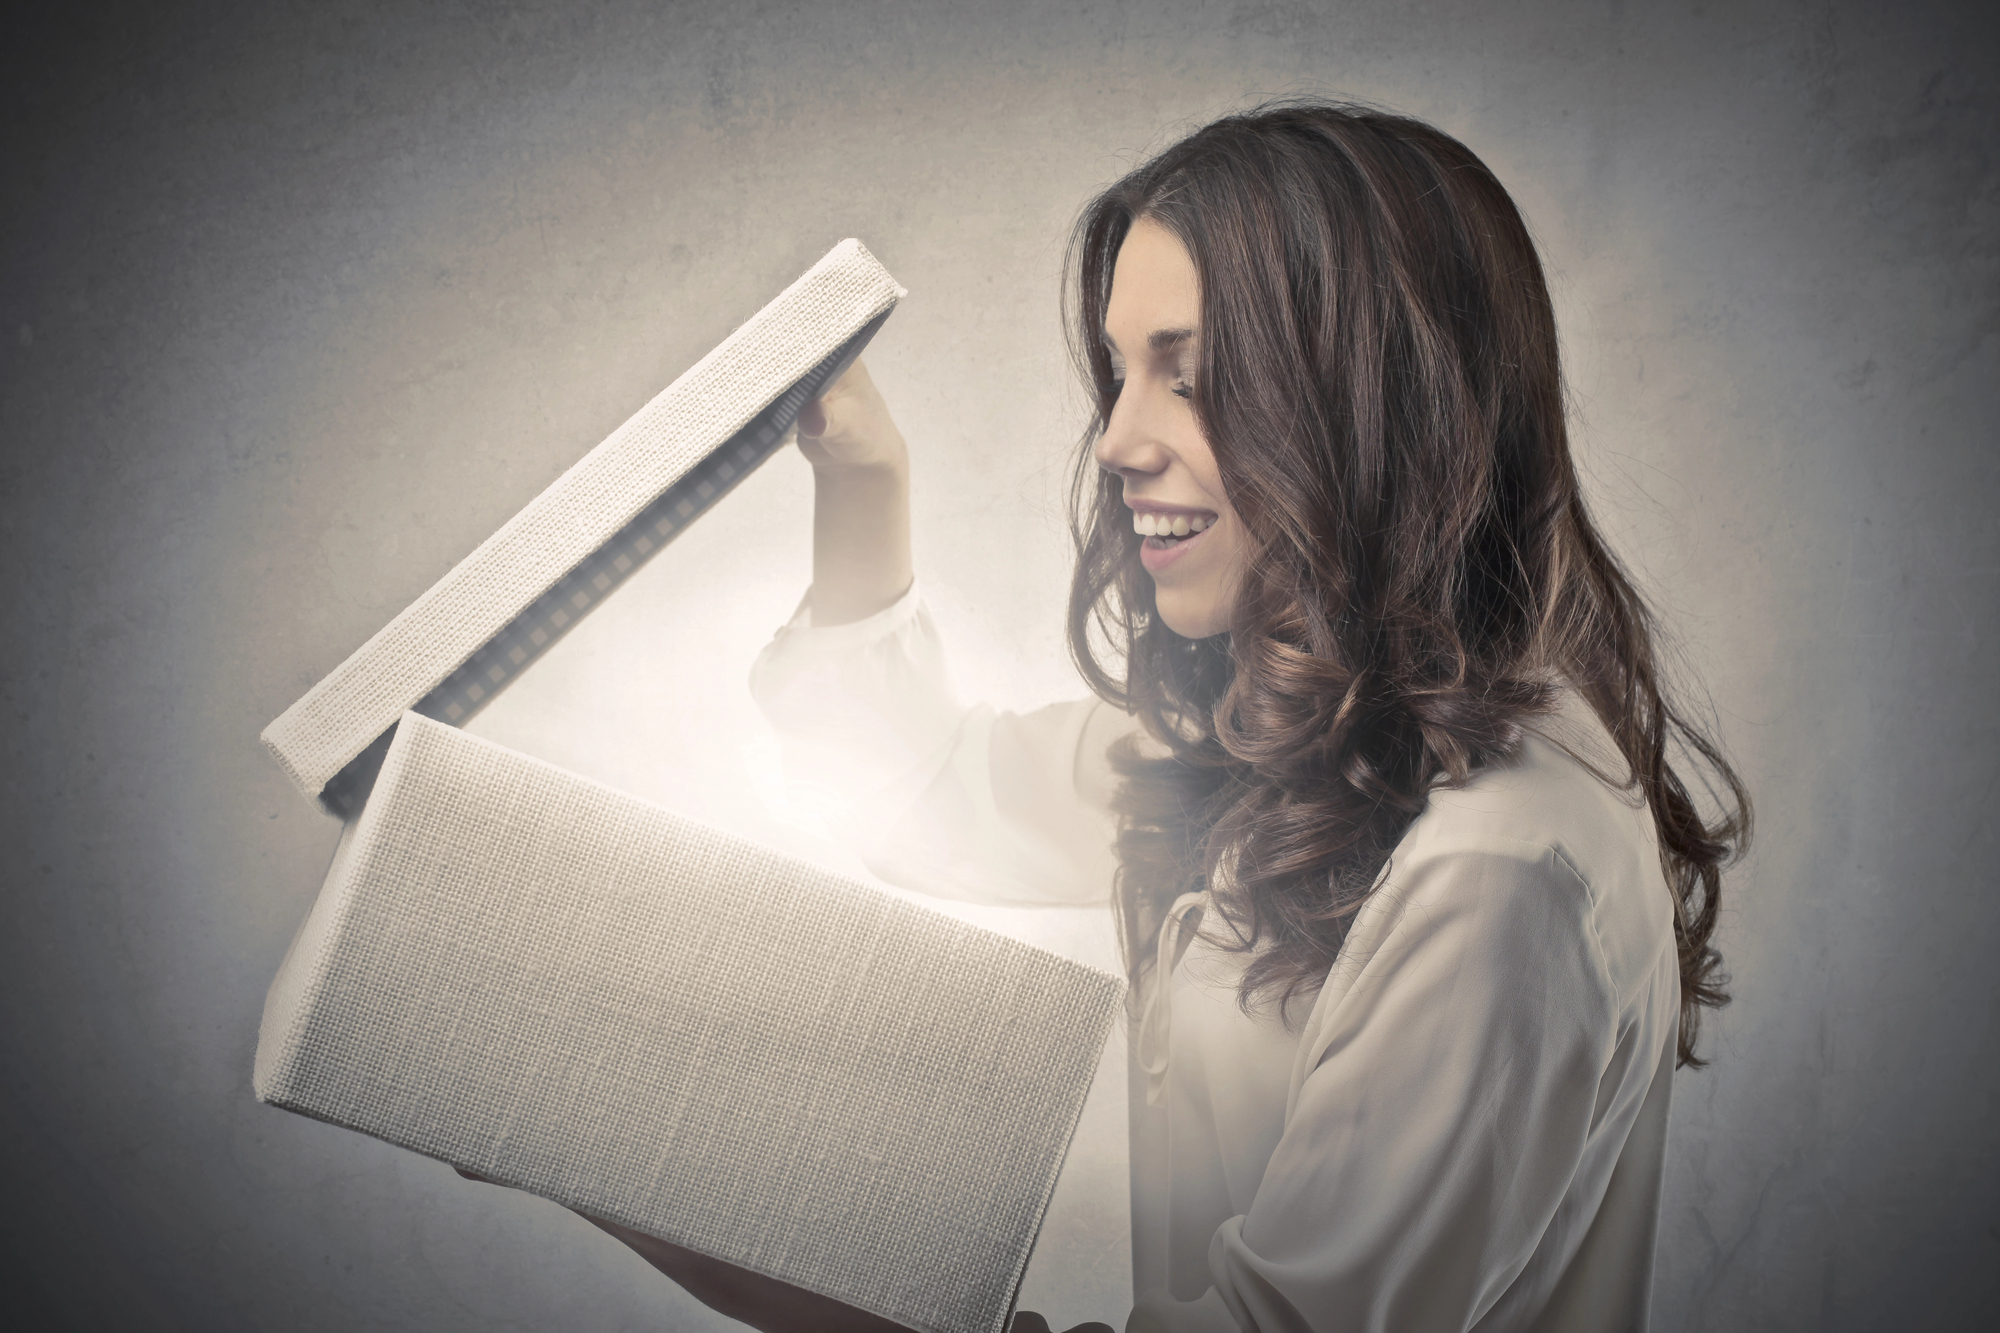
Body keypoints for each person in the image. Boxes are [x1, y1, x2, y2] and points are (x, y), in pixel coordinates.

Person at [613, 100, 1750, 1331]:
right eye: (1118, 374)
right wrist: (861, 474)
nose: (1113, 440)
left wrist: (641, 1181)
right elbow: (923, 790)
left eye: (1190, 378)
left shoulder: (1502, 871)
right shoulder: (1297, 724)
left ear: (1375, 410)